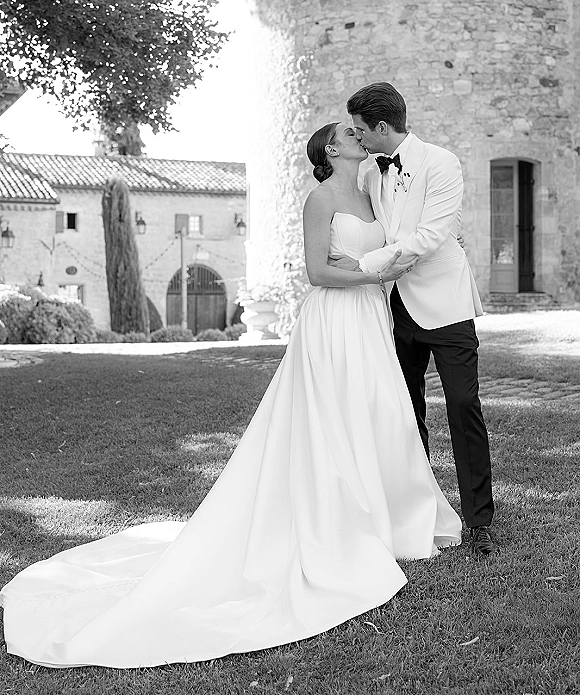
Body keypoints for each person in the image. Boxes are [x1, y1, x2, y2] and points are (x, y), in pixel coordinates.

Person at [0, 123, 462, 670]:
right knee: (331, 418)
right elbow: (318, 271)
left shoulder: (372, 189)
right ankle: (335, 521)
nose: (358, 135)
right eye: (347, 133)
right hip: (334, 320)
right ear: (330, 149)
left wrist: (382, 269)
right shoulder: (320, 199)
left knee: (381, 414)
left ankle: (390, 515)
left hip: (370, 320)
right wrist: (371, 271)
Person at [339, 82, 495, 556]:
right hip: (395, 309)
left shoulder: (441, 162)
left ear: (383, 127)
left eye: (362, 130)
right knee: (405, 414)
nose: (358, 138)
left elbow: (430, 234)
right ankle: (415, 513)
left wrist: (363, 267)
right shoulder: (368, 174)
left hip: (446, 307)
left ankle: (479, 521)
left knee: (463, 407)